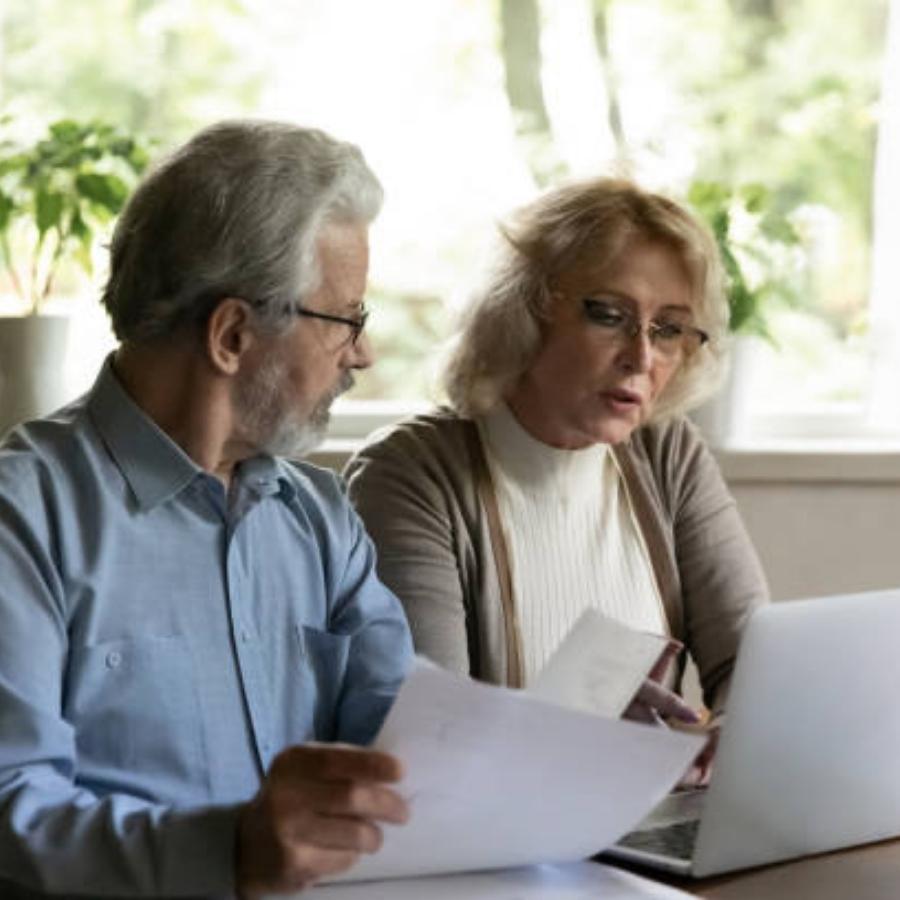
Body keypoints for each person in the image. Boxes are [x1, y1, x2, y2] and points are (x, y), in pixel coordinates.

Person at [0, 120, 414, 898]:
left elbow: (409, 740)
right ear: (231, 334)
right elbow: (10, 809)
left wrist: (575, 732)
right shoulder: (23, 520)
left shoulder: (320, 517)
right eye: (347, 319)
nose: (362, 354)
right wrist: (227, 853)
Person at [345, 177, 769, 771]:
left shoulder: (666, 452)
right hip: (493, 845)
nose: (642, 357)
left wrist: (739, 730)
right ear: (523, 312)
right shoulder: (411, 472)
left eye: (668, 328)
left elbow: (754, 665)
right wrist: (576, 727)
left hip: (639, 825)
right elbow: (430, 735)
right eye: (609, 315)